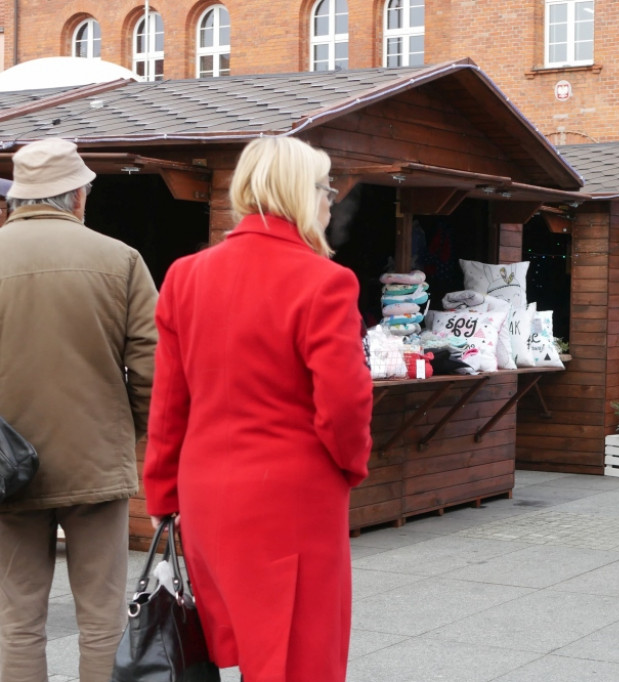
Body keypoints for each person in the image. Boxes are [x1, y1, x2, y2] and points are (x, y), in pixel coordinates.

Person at [143, 136, 373, 681]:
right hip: (291, 499)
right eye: (324, 188)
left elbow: (170, 400)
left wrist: (162, 491)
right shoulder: (324, 281)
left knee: (237, 645)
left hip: (206, 494)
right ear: (298, 193)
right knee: (298, 661)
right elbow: (344, 401)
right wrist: (349, 466)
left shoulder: (185, 275)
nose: (330, 200)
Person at [0, 139, 158, 681]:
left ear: (14, 201)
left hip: (7, 469)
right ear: (79, 199)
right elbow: (151, 368)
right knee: (102, 617)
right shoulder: (121, 259)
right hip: (95, 461)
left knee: (18, 619)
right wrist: (130, 432)